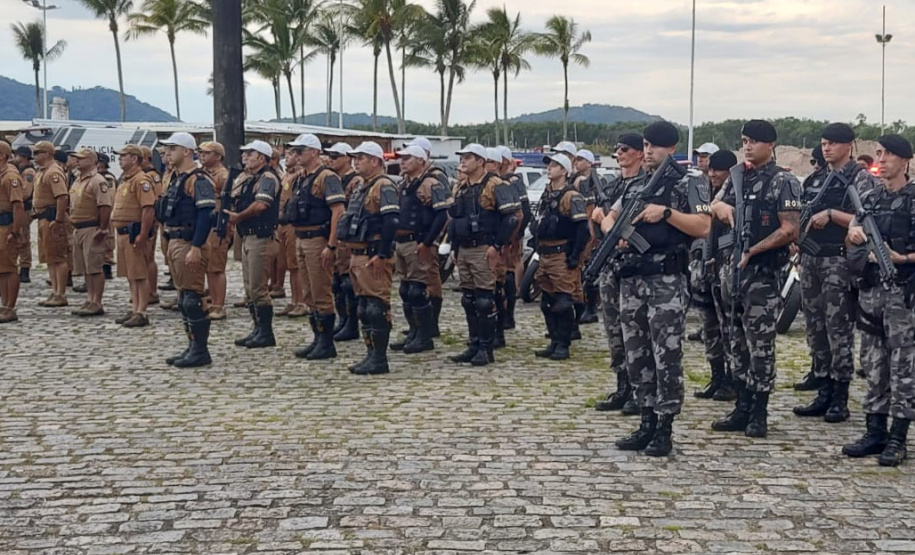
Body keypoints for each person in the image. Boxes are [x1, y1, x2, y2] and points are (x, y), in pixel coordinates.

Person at [599, 121, 712, 457]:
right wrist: (617, 233)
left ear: (671, 149)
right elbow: (612, 218)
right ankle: (645, 419)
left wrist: (666, 213)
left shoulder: (688, 183)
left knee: (666, 356)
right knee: (637, 353)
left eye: (655, 146)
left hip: (666, 280)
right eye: (646, 145)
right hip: (633, 278)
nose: (648, 152)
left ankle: (665, 426)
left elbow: (704, 226)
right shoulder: (637, 185)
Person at [710, 120, 801, 439]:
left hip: (762, 275)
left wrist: (752, 251)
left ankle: (759, 412)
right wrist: (721, 207)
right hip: (733, 272)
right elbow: (715, 203)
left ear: (771, 144)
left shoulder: (783, 181)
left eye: (754, 141)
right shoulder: (738, 176)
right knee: (734, 340)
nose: (747, 146)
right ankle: (742, 405)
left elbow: (790, 229)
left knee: (760, 344)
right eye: (744, 141)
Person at [794, 123, 879, 423]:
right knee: (815, 327)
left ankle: (840, 395)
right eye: (824, 142)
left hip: (839, 262)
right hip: (811, 260)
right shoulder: (816, 179)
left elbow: (868, 219)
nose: (827, 148)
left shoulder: (861, 179)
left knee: (838, 329)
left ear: (849, 145)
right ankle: (823, 386)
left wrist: (832, 215)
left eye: (833, 143)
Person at [843, 134, 915, 467]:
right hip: (872, 292)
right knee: (873, 363)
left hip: (904, 293)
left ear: (905, 160)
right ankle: (875, 430)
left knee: (903, 367)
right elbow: (853, 234)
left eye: (888, 154)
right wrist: (854, 233)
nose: (881, 159)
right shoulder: (869, 198)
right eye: (879, 153)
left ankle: (898, 436)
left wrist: (903, 258)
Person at [448, 144, 519, 367]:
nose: (463, 161)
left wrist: (497, 245)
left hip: (484, 248)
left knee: (484, 299)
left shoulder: (495, 184)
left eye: (468, 158)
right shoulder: (461, 187)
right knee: (468, 299)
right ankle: (474, 343)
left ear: (480, 161)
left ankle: (486, 348)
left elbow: (511, 218)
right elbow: (455, 219)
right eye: (462, 158)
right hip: (465, 247)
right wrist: (454, 247)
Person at [592, 133, 645, 413]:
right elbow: (599, 228)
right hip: (609, 264)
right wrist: (597, 220)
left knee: (634, 331)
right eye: (617, 150)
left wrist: (609, 223)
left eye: (625, 149)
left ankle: (640, 390)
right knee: (614, 330)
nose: (619, 154)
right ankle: (622, 385)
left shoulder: (643, 186)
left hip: (633, 268)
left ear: (639, 153)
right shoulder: (614, 188)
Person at [337, 141, 400, 375]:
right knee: (363, 308)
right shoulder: (363, 186)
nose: (356, 161)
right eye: (355, 157)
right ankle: (371, 354)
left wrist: (382, 253)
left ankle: (380, 359)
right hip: (357, 254)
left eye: (361, 157)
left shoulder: (383, 185)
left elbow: (391, 220)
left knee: (376, 307)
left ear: (375, 161)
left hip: (373, 254)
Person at [285, 134, 346, 360]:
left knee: (321, 291)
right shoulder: (301, 177)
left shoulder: (327, 177)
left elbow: (338, 212)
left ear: (313, 152)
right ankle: (318, 339)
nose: (296, 155)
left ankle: (326, 343)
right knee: (309, 292)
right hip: (301, 237)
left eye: (300, 151)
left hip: (318, 239)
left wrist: (331, 245)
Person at [157, 132, 216, 367]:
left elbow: (206, 214)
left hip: (189, 241)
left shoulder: (198, 179)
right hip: (174, 239)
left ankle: (200, 350)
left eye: (172, 148)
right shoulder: (176, 178)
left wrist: (197, 246)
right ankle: (192, 345)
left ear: (186, 151)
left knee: (193, 298)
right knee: (183, 298)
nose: (167, 153)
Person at [391, 144, 452, 354]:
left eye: (408, 158)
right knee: (406, 290)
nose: (402, 161)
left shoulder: (430, 183)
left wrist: (427, 242)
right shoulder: (406, 184)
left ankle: (425, 335)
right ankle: (414, 331)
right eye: (402, 158)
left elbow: (442, 214)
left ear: (420, 161)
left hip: (417, 242)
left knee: (417, 291)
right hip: (402, 241)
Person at [533, 153, 589, 360]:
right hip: (545, 253)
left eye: (555, 165)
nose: (550, 168)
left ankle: (564, 343)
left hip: (560, 253)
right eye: (549, 165)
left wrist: (575, 257)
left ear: (564, 171)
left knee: (563, 302)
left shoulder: (571, 196)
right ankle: (554, 340)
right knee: (546, 301)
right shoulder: (547, 194)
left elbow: (582, 229)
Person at [226, 140, 281, 349]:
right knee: (250, 287)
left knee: (258, 287)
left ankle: (266, 333)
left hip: (261, 235)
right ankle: (257, 329)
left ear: (262, 157)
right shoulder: (249, 178)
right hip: (248, 235)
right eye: (245, 153)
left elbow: (261, 205)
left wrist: (238, 216)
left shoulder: (267, 177)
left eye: (250, 153)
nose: (245, 157)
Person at [693, 149, 738, 401]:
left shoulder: (734, 196)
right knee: (709, 327)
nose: (712, 175)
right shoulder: (703, 192)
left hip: (726, 267)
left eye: (717, 170)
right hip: (705, 268)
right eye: (709, 170)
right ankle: (717, 375)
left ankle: (732, 378)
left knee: (727, 327)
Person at [407, 137, 452, 336]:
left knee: (431, 281)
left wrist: (435, 239)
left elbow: (444, 210)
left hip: (430, 238)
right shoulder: (412, 179)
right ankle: (417, 326)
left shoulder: (435, 177)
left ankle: (431, 325)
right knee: (411, 285)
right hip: (412, 239)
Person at [112, 145, 157, 327]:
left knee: (139, 274)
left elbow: (148, 209)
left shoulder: (141, 180)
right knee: (131, 274)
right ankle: (134, 307)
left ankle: (142, 311)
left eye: (124, 156)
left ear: (135, 159)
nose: (120, 159)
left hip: (134, 232)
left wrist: (143, 234)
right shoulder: (125, 180)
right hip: (122, 233)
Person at [482, 148, 520, 349]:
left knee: (498, 285)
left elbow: (517, 216)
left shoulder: (502, 185)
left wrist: (505, 243)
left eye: (486, 161)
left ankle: (500, 329)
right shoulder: (478, 185)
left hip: (498, 244)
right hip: (480, 245)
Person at [68, 148, 113, 316]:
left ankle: (97, 301)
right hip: (78, 228)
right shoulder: (77, 180)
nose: (77, 161)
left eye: (81, 158)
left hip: (91, 227)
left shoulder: (97, 180)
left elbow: (105, 206)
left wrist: (102, 229)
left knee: (95, 267)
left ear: (92, 160)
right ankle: (89, 298)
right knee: (86, 268)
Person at [325, 142, 362, 342]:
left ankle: (352, 323)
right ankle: (343, 319)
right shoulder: (333, 179)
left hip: (349, 237)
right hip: (336, 235)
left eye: (335, 156)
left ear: (347, 158)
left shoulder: (355, 181)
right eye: (330, 156)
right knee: (337, 282)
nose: (331, 160)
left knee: (348, 282)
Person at [31, 141, 71, 307]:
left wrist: (59, 219)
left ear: (47, 153)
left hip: (52, 217)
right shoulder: (42, 172)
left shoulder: (53, 172)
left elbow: (62, 196)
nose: (35, 156)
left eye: (37, 152)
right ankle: (54, 291)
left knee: (58, 256)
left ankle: (60, 292)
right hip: (43, 218)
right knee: (49, 257)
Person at [497, 145, 529, 331]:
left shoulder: (513, 181)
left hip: (513, 232)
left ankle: (510, 312)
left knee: (511, 267)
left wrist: (516, 234)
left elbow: (524, 211)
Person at [198, 141, 231, 320]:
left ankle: (219, 304)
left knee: (217, 267)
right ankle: (212, 301)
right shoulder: (204, 173)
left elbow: (228, 201)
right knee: (209, 267)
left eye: (207, 152)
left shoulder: (223, 176)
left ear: (218, 156)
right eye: (201, 152)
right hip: (206, 223)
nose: (202, 155)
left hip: (218, 224)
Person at [274, 144, 306, 319]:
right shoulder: (287, 174)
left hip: (292, 223)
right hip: (282, 222)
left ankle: (301, 301)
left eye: (293, 153)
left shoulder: (300, 176)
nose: (289, 155)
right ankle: (294, 300)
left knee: (296, 265)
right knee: (287, 264)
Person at [572, 148, 604, 325]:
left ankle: (589, 307)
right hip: (586, 225)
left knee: (589, 267)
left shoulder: (589, 180)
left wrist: (591, 229)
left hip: (595, 226)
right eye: (576, 159)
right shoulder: (576, 178)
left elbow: (589, 207)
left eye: (581, 159)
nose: (577, 162)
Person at [0, 142, 27, 323]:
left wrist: (15, 231)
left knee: (9, 268)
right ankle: (4, 305)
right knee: (1, 270)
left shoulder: (10, 177)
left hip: (7, 225)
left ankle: (10, 306)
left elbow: (18, 206)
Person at [138, 146, 162, 301]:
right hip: (138, 220)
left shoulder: (152, 176)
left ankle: (151, 291)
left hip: (149, 220)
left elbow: (158, 198)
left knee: (148, 257)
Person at [11, 146, 35, 284]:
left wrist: (12, 197)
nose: (15, 158)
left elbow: (25, 193)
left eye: (18, 156)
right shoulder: (19, 171)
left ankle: (25, 269)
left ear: (24, 158)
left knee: (23, 238)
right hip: (19, 208)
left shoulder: (28, 172)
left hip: (24, 209)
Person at [98, 152, 119, 281]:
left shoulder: (108, 178)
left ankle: (107, 267)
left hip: (108, 212)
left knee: (107, 240)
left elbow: (109, 196)